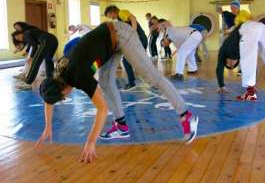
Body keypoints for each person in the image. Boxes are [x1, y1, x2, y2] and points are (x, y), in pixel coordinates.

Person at [37, 21, 199, 163]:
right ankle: (121, 126)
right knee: (105, 82)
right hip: (109, 45)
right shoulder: (58, 72)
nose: (65, 98)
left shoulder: (78, 76)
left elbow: (102, 109)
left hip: (121, 34)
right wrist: (48, 126)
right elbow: (48, 96)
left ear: (63, 90)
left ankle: (186, 115)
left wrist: (91, 141)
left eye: (63, 98)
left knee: (151, 76)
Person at [104, 5, 148, 90]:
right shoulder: (120, 20)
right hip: (138, 40)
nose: (110, 18)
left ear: (112, 12)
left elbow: (133, 19)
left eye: (109, 15)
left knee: (126, 60)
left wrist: (133, 32)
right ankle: (132, 80)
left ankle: (132, 82)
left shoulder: (121, 12)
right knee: (129, 61)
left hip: (140, 40)